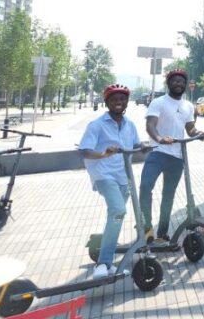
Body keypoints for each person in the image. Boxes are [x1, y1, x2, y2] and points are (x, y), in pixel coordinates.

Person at [79, 84, 148, 279]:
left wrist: (142, 146)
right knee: (118, 210)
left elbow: (135, 143)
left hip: (123, 176)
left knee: (116, 217)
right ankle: (101, 264)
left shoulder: (129, 125)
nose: (119, 102)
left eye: (122, 99)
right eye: (114, 99)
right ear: (107, 102)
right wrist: (103, 153)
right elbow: (84, 150)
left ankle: (106, 263)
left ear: (126, 102)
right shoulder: (97, 125)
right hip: (103, 175)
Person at [139, 68, 198, 244]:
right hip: (157, 152)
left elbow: (190, 129)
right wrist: (159, 139)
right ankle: (147, 227)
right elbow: (150, 125)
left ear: (185, 85)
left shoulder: (188, 106)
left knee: (168, 195)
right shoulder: (158, 102)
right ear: (168, 83)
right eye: (175, 80)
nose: (178, 84)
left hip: (177, 156)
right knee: (145, 186)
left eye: (182, 81)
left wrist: (200, 134)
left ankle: (162, 232)